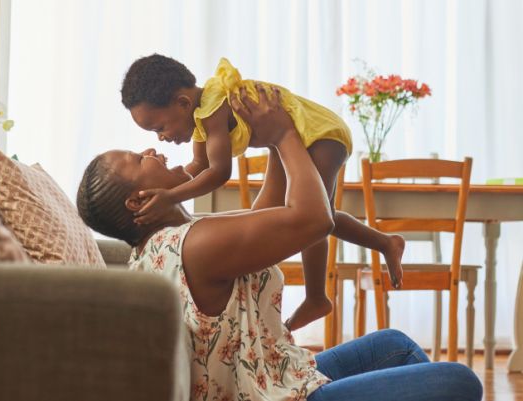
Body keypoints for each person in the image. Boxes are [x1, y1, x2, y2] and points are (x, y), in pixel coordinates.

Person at [77, 88, 482, 401]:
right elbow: (315, 220)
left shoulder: (178, 238)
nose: (151, 149)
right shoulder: (195, 245)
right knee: (459, 381)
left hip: (276, 375)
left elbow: (268, 211)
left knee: (395, 346)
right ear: (138, 201)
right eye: (137, 157)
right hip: (268, 396)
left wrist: (268, 138)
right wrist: (288, 134)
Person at [120, 54, 405, 330]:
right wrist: (166, 187)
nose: (160, 138)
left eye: (159, 127)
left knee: (318, 218)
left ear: (182, 103)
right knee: (286, 214)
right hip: (287, 137)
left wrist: (171, 196)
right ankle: (385, 243)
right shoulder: (199, 116)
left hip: (320, 133)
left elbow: (218, 173)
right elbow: (198, 165)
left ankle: (317, 297)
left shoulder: (212, 110)